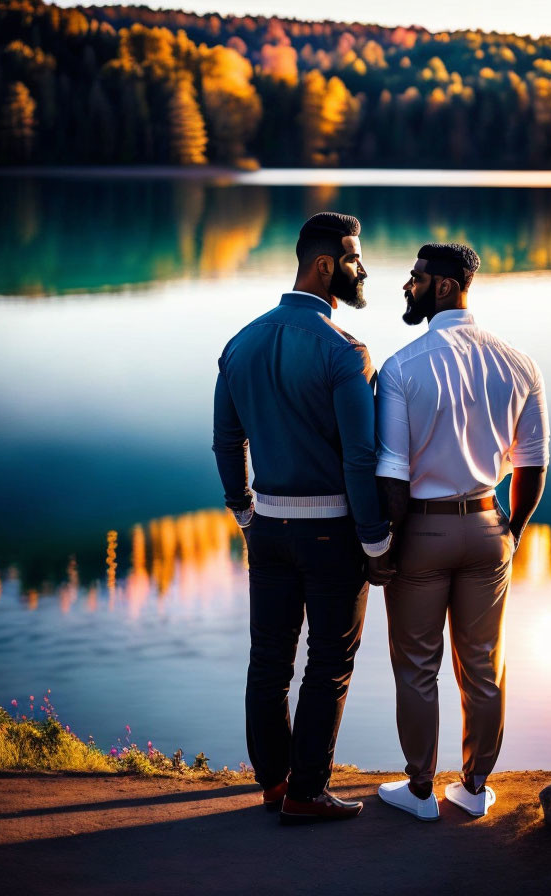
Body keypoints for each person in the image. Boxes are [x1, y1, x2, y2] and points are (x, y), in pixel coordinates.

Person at [213, 212, 391, 825]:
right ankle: (307, 794)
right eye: (354, 258)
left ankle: (273, 784)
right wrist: (375, 540)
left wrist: (243, 511)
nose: (362, 268)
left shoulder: (240, 343)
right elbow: (361, 456)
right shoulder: (345, 352)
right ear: (324, 266)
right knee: (328, 664)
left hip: (268, 528)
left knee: (268, 662)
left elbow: (225, 440)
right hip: (333, 532)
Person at [373, 242, 549, 821]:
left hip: (421, 529)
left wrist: (389, 546)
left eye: (416, 277)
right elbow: (532, 465)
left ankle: (421, 790)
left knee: (417, 666)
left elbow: (393, 475)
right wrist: (514, 531)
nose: (408, 285)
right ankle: (473, 788)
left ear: (445, 286)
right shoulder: (519, 363)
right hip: (488, 523)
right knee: (483, 663)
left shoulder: (401, 367)